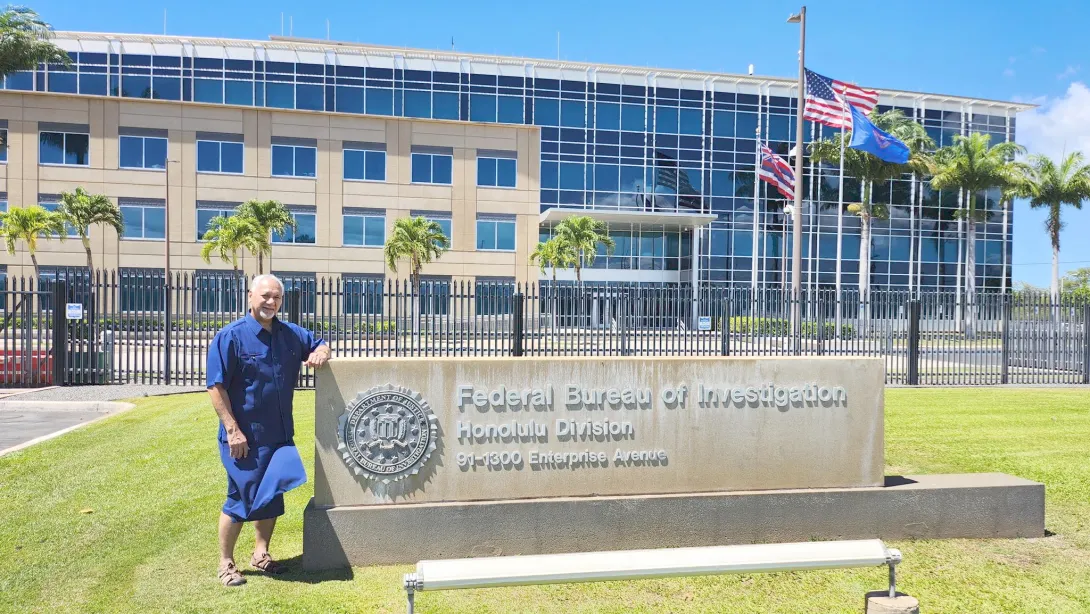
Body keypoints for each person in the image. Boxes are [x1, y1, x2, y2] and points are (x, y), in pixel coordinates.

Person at [206, 274, 331, 586]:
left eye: (276, 297)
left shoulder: (290, 335)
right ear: (250, 296)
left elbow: (319, 344)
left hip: (279, 435)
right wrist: (233, 430)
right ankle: (226, 563)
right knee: (240, 499)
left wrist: (321, 353)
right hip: (243, 438)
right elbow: (215, 386)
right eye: (265, 296)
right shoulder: (231, 337)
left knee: (271, 497)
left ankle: (261, 554)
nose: (271, 302)